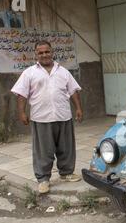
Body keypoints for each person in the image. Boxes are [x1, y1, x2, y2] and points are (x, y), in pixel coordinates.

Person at [11, 40, 83, 194]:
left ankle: (66, 173)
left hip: (63, 115)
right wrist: (22, 112)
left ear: (52, 52)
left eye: (47, 52)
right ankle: (43, 179)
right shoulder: (29, 72)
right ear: (36, 54)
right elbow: (21, 94)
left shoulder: (63, 71)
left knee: (66, 147)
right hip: (41, 117)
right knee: (43, 150)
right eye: (40, 52)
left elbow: (73, 91)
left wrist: (78, 108)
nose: (44, 55)